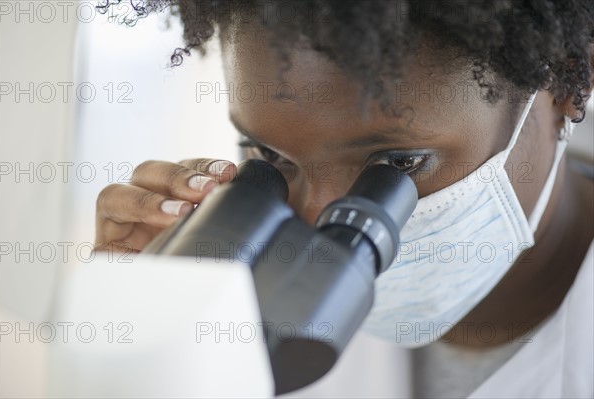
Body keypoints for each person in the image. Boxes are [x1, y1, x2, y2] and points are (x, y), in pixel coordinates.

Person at [93, 1, 594, 397]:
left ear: (565, 88)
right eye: (268, 154)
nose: (317, 218)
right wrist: (137, 352)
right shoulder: (254, 318)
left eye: (397, 164)